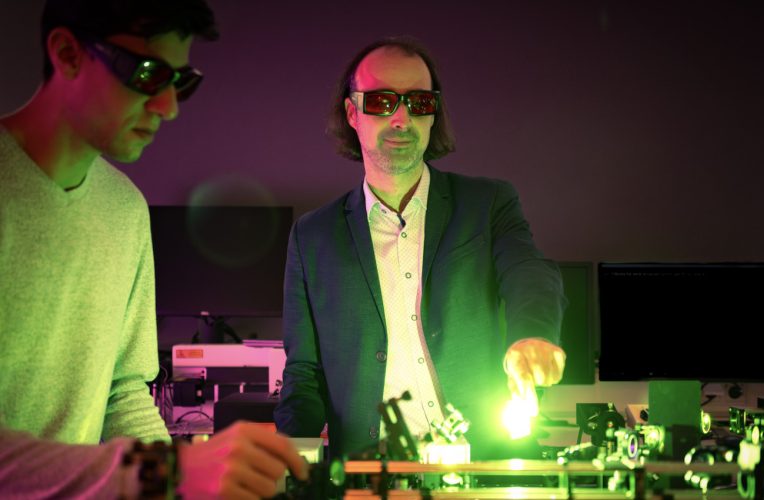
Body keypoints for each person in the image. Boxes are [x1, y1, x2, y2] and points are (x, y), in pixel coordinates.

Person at [0, 0, 306, 497]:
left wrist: (180, 485)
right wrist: (168, 472)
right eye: (147, 73)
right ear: (67, 53)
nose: (168, 106)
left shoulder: (124, 209)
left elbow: (124, 394)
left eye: (180, 82)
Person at [275, 36, 568, 461]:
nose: (401, 118)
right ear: (352, 113)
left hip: (485, 464)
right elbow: (303, 371)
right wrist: (289, 456)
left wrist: (533, 334)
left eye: (418, 102)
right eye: (381, 101)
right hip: (369, 474)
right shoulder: (312, 236)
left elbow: (529, 270)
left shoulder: (487, 204)